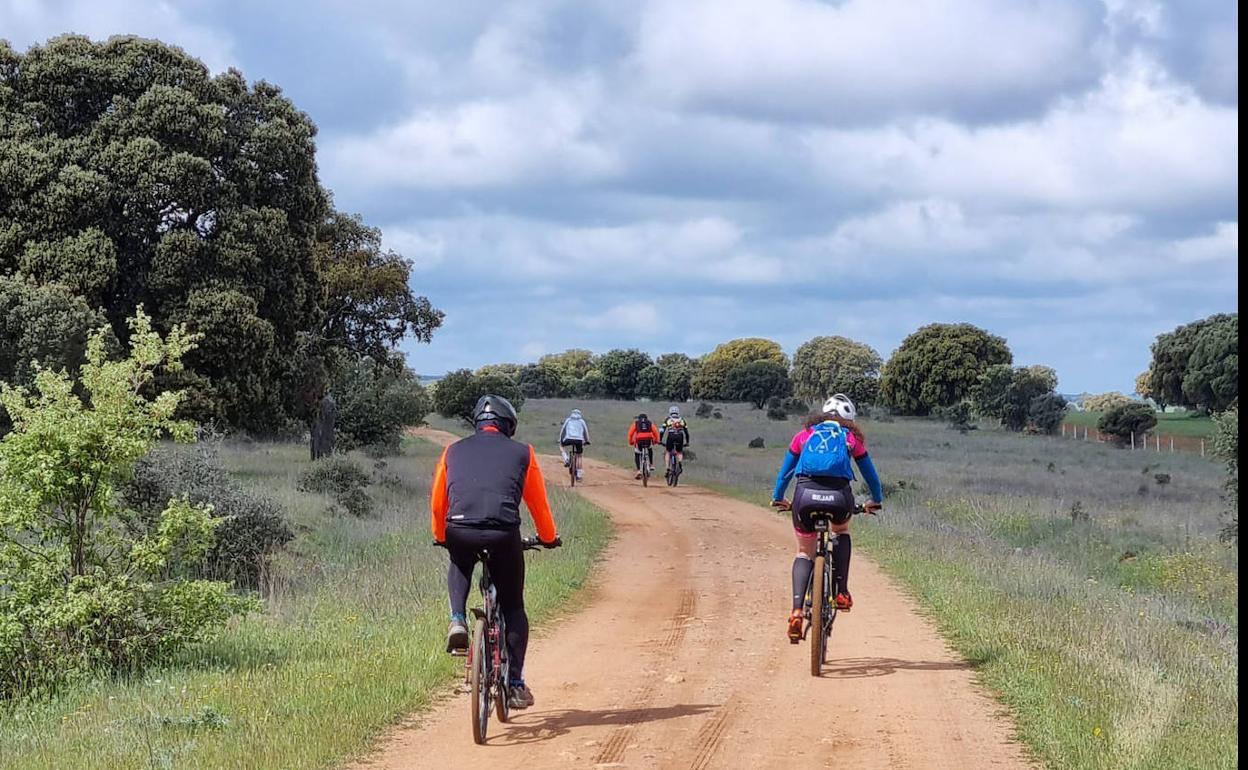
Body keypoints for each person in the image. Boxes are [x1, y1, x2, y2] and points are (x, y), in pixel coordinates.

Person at [431, 394, 561, 709]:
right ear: (508, 425)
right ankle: (515, 684)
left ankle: (458, 620)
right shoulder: (523, 453)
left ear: (478, 423)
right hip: (504, 533)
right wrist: (547, 537)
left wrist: (441, 535)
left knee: (460, 562)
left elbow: (438, 501)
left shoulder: (453, 450)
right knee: (514, 606)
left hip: (460, 529)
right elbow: (537, 503)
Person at [770, 394, 883, 642]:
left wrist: (778, 496)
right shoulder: (851, 438)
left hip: (804, 497)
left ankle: (797, 611)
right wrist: (877, 498)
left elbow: (786, 472)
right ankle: (841, 592)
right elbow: (870, 475)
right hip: (839, 498)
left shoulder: (805, 435)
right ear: (849, 419)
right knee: (841, 531)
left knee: (803, 552)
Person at [559, 408, 591, 480]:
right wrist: (587, 440)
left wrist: (560, 439)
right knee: (579, 456)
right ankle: (579, 475)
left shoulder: (568, 420)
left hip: (568, 438)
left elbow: (563, 429)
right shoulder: (582, 421)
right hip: (579, 440)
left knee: (561, 446)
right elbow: (585, 432)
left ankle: (566, 459)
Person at [627, 412, 661, 479]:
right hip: (648, 439)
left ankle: (639, 470)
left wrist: (630, 442)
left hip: (639, 440)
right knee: (650, 449)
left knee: (637, 453)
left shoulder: (636, 423)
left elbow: (630, 433)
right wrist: (656, 441)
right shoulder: (650, 423)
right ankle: (651, 464)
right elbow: (656, 432)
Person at [660, 405, 691, 474]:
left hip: (671, 436)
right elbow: (686, 432)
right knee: (679, 452)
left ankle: (667, 468)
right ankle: (679, 462)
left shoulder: (668, 419)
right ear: (678, 412)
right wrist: (687, 442)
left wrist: (660, 440)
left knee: (668, 452)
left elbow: (662, 430)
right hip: (680, 436)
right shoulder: (682, 420)